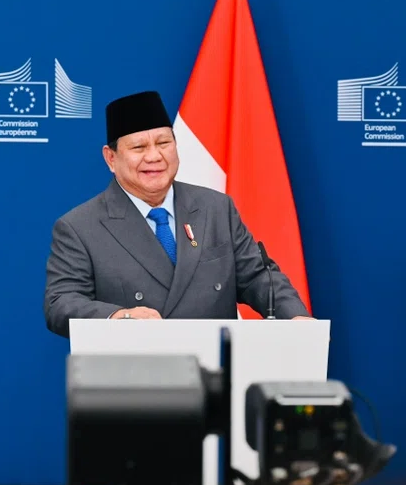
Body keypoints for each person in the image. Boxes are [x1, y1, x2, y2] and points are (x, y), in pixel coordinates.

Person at [43, 90, 312, 338]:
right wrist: (119, 316)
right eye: (139, 148)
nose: (154, 156)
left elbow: (256, 277)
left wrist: (294, 315)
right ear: (111, 158)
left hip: (212, 373)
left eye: (164, 143)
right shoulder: (80, 227)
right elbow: (61, 304)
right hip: (132, 375)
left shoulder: (215, 208)